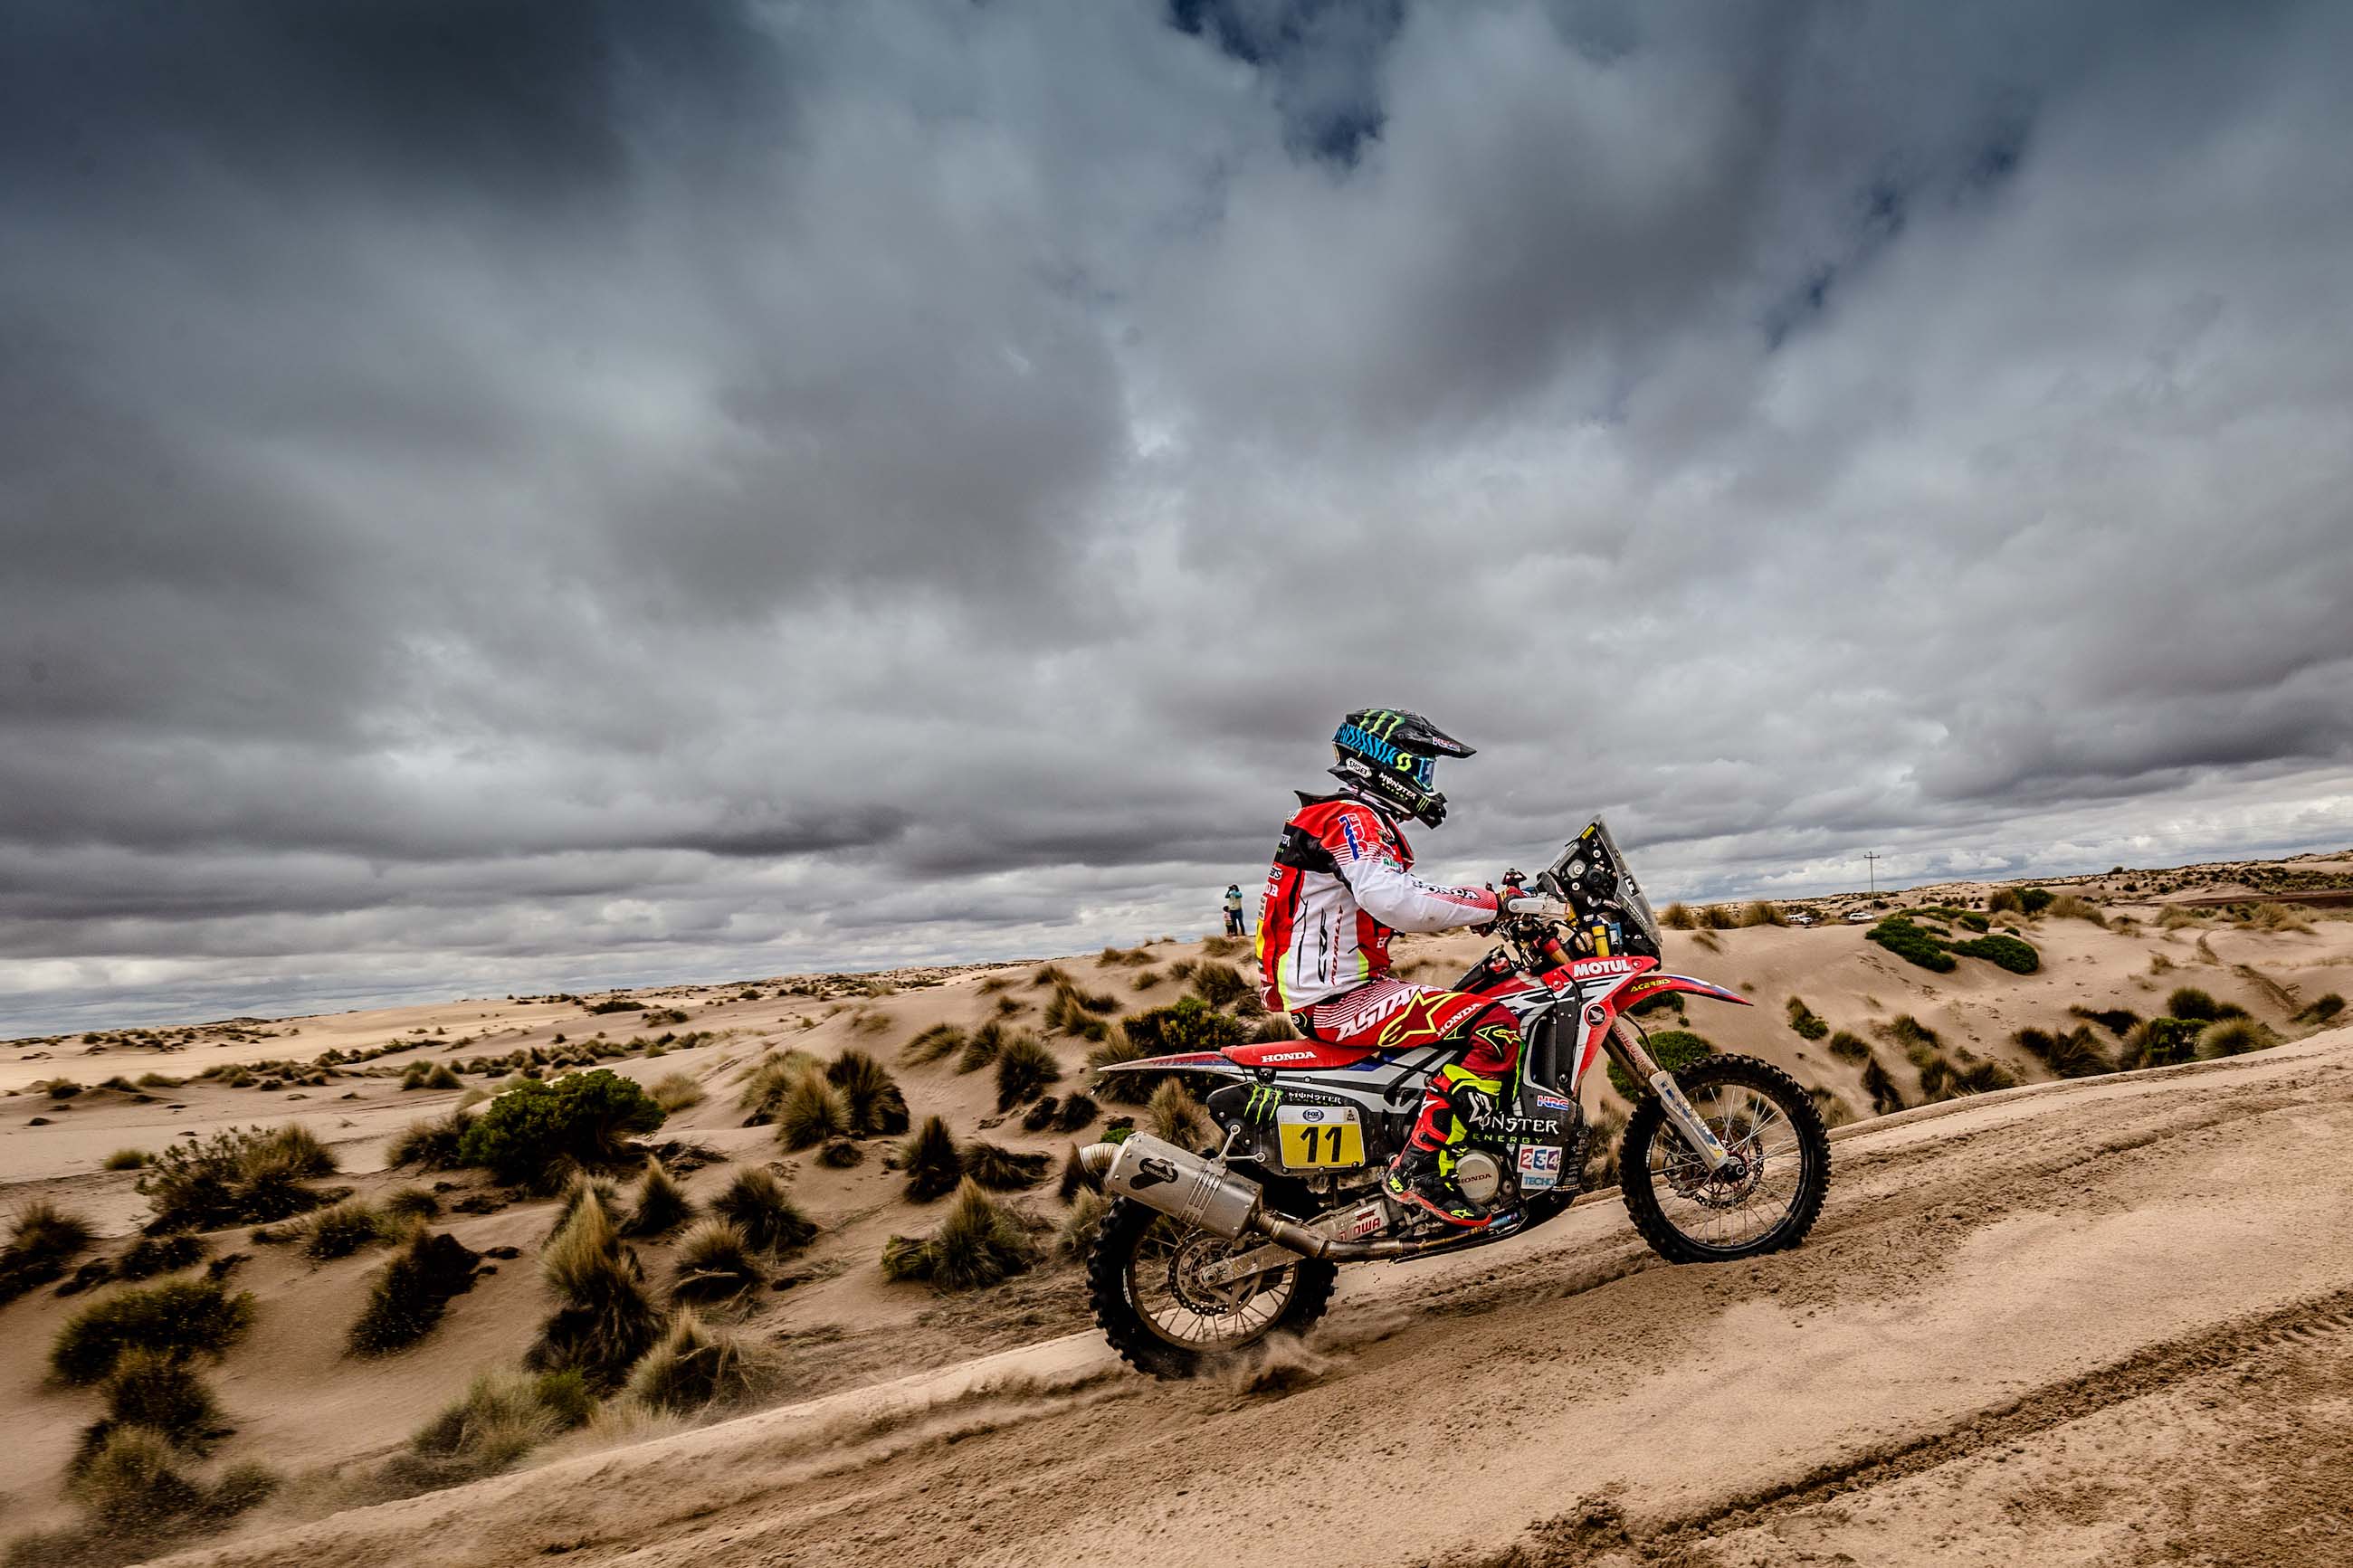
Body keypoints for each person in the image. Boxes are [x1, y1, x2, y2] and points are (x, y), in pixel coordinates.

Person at [1253, 708, 1564, 1229]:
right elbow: (1396, 901)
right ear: (1387, 761)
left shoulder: (1345, 817)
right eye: (1421, 766)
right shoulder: (1348, 817)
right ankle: (1420, 1168)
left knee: (1478, 999)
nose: (1426, 781)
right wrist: (1492, 903)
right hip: (1337, 1000)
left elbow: (1400, 896)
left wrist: (1482, 910)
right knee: (1494, 1026)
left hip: (1344, 991)